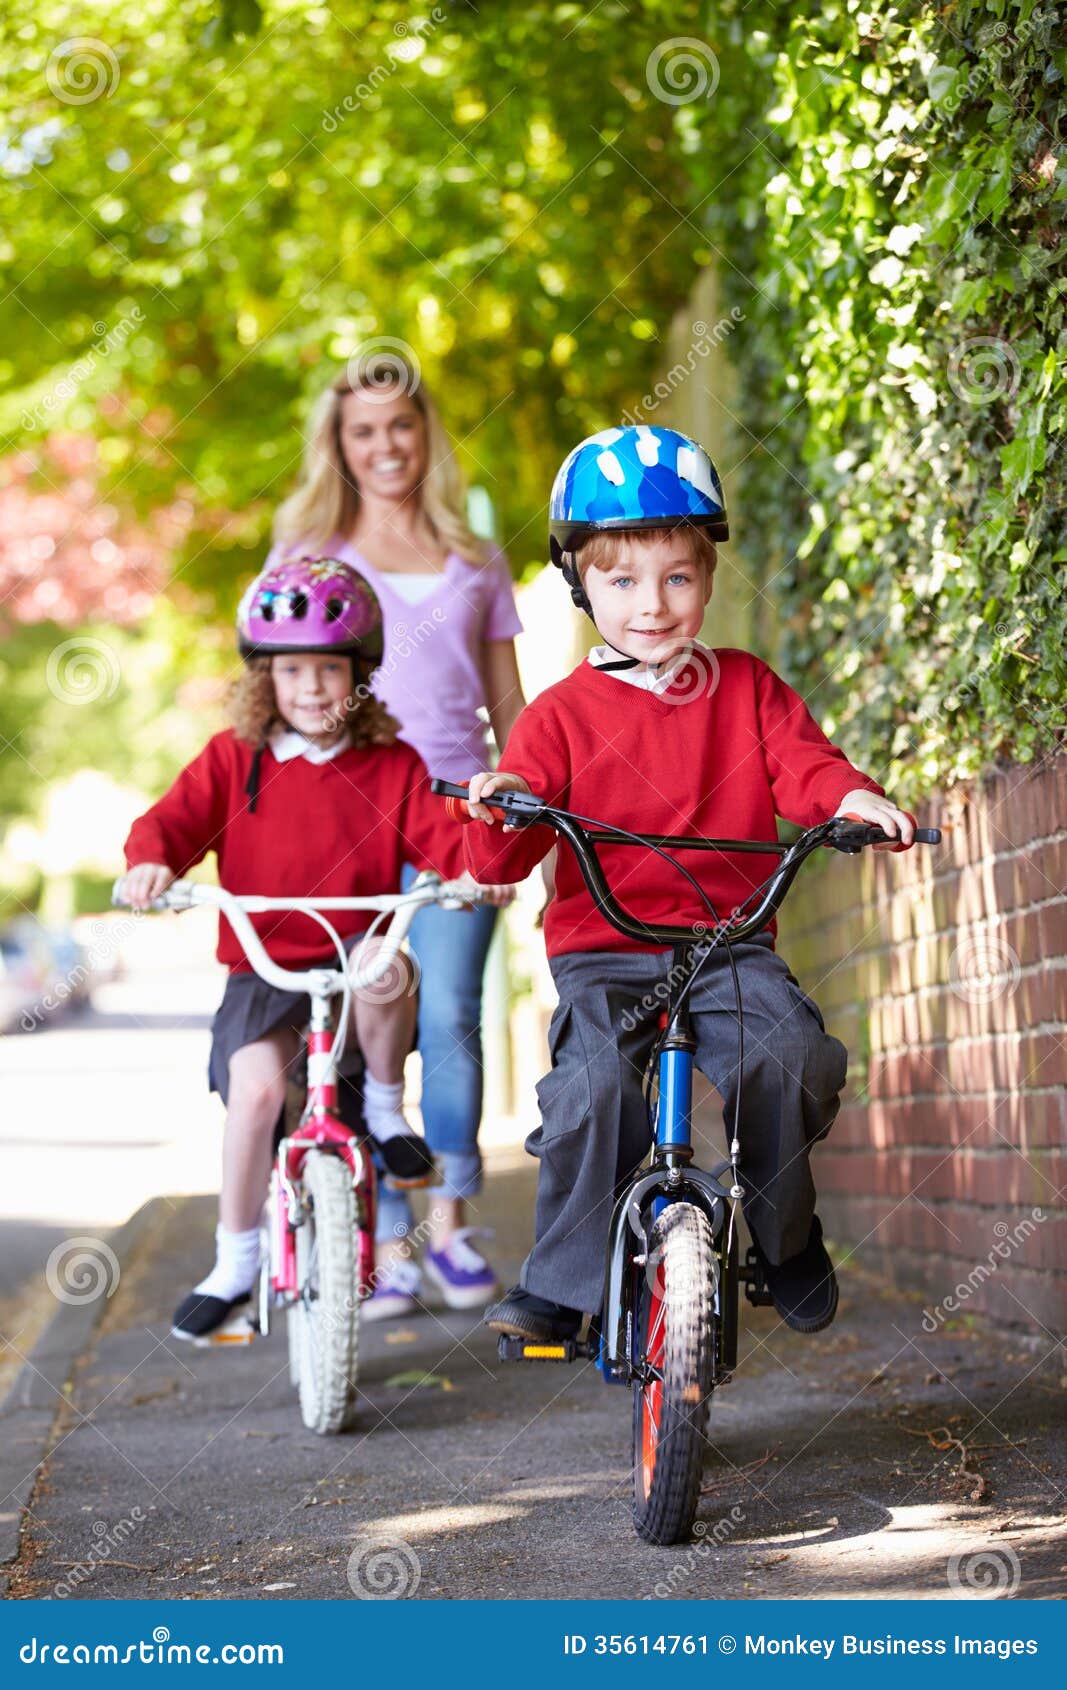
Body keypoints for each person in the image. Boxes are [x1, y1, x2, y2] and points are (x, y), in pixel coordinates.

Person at [461, 425, 917, 1341]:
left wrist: (853, 796)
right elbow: (494, 863)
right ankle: (562, 1286)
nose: (652, 604)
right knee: (588, 1092)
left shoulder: (745, 687)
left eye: (676, 576)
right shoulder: (555, 719)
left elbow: (805, 767)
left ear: (707, 577)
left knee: (786, 1057)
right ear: (578, 584)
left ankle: (784, 1240)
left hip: (727, 946)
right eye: (621, 580)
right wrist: (504, 804)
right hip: (604, 955)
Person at [120, 557, 476, 1341]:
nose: (313, 688)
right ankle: (235, 1260)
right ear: (264, 678)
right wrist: (151, 862)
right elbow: (170, 824)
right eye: (292, 670)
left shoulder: (392, 766)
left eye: (329, 668)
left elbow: (441, 838)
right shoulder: (231, 761)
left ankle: (383, 1111)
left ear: (359, 673)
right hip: (263, 967)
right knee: (254, 1096)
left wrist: (472, 872)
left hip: (353, 962)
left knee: (388, 968)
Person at [267, 356, 525, 1319]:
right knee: (363, 1015)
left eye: (400, 427)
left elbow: (509, 704)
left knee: (451, 1010)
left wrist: (516, 812)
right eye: (362, 431)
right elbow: (274, 694)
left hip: (458, 811)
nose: (384, 447)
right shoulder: (306, 549)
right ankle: (374, 1238)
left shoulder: (474, 556)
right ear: (338, 444)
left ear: (427, 434)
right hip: (346, 811)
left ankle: (447, 1230)